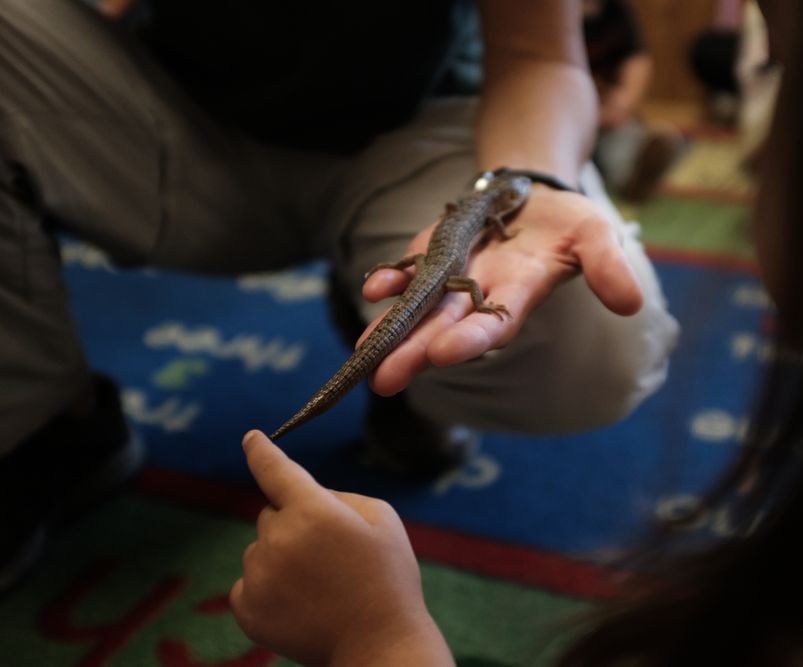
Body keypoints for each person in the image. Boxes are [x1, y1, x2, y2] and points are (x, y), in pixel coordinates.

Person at [228, 0, 803, 664]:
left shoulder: (475, 210)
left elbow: (497, 160)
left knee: (417, 311)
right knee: (427, 312)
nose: (758, 154)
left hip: (433, 255)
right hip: (432, 260)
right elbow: (480, 231)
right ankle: (371, 328)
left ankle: (370, 323)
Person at [0, 0, 679, 592]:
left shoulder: (481, 208)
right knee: (448, 297)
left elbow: (540, 56)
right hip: (185, 117)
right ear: (502, 209)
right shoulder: (490, 217)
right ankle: (51, 425)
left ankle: (379, 320)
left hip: (428, 125)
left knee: (581, 339)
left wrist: (536, 175)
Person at [582, 0, 683, 203]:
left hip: (608, 110)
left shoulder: (616, 10)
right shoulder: (549, 14)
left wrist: (622, 102)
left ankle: (633, 178)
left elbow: (637, 59)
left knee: (622, 138)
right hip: (566, 116)